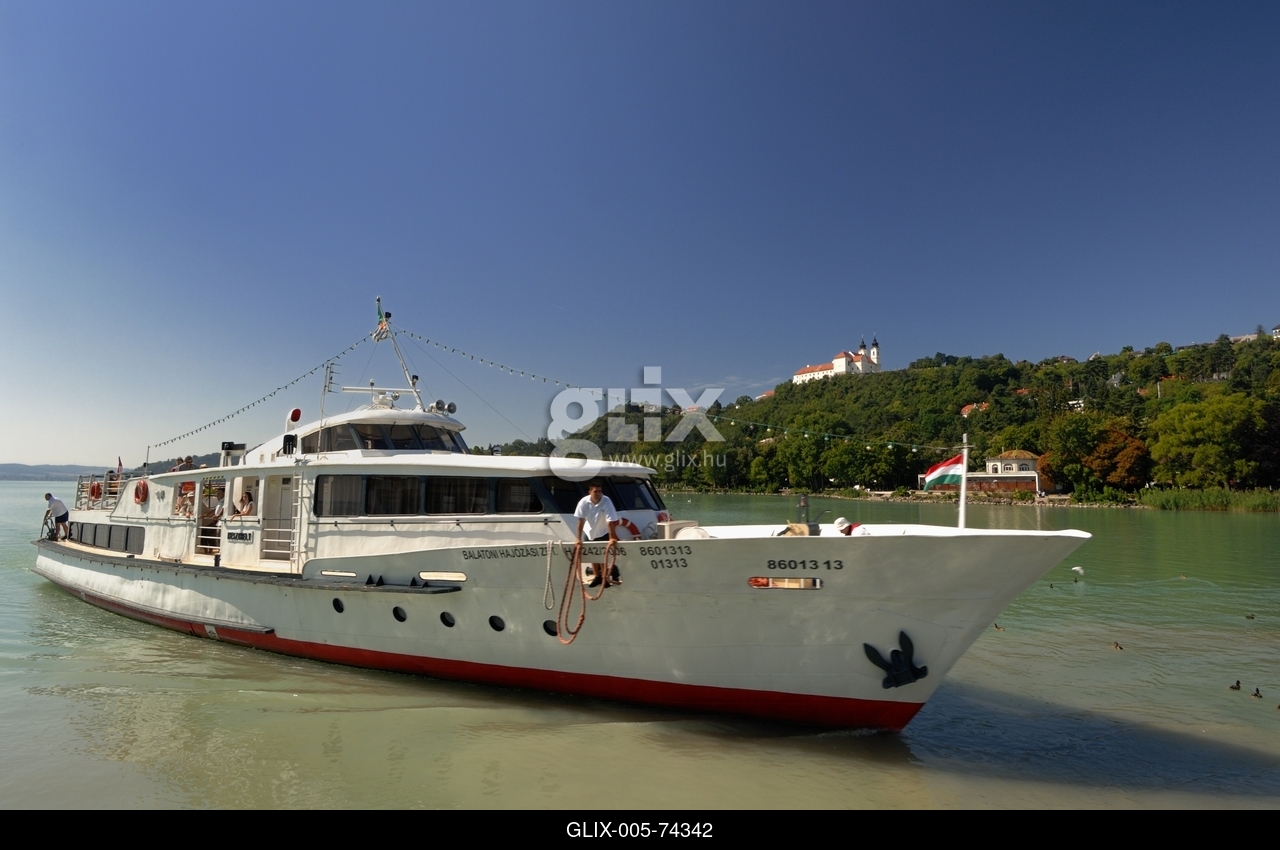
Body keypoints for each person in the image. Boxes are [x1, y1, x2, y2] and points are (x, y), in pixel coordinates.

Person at [574, 480, 620, 586]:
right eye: (595, 491)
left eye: (600, 491)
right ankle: (597, 576)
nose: (598, 493)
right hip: (589, 532)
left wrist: (612, 537)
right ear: (590, 492)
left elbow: (610, 521)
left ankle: (604, 578)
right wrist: (578, 538)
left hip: (603, 531)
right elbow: (581, 520)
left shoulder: (606, 501)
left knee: (602, 556)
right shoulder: (583, 502)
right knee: (592, 555)